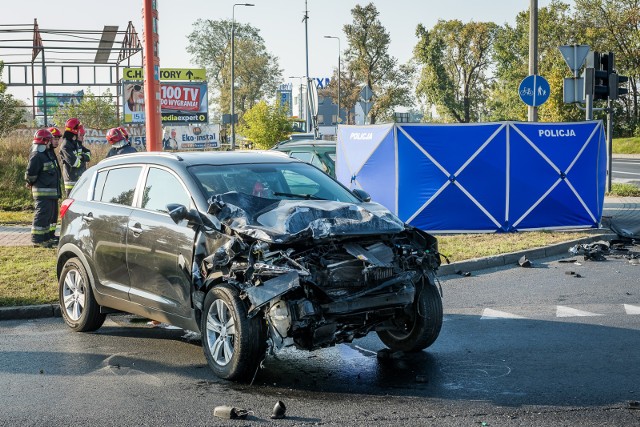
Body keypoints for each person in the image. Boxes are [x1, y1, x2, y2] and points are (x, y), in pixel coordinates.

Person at [24, 129, 62, 247]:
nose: (52, 142)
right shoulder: (37, 156)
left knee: (47, 216)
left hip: (50, 193)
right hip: (42, 193)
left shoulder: (46, 155)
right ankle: (37, 240)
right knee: (41, 215)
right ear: (45, 141)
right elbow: (30, 174)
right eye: (50, 140)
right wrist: (31, 182)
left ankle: (45, 238)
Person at [59, 118, 91, 196]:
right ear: (75, 131)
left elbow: (89, 154)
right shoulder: (65, 146)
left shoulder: (76, 143)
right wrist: (82, 158)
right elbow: (75, 163)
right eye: (81, 134)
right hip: (71, 182)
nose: (82, 137)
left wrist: (81, 157)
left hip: (80, 180)